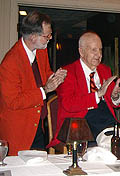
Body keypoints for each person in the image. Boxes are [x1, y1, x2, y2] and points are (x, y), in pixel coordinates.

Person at [48, 31, 120, 150]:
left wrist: (115, 96)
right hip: (80, 122)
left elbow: (114, 103)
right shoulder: (67, 72)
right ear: (81, 51)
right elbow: (68, 104)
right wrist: (98, 95)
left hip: (105, 120)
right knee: (110, 146)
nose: (99, 54)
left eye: (100, 50)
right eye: (94, 50)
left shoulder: (105, 70)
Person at [0, 11, 67, 156]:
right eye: (47, 36)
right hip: (18, 130)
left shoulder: (41, 51)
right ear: (33, 36)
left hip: (37, 124)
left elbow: (45, 73)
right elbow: (13, 101)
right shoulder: (10, 62)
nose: (50, 38)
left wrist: (56, 77)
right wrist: (45, 90)